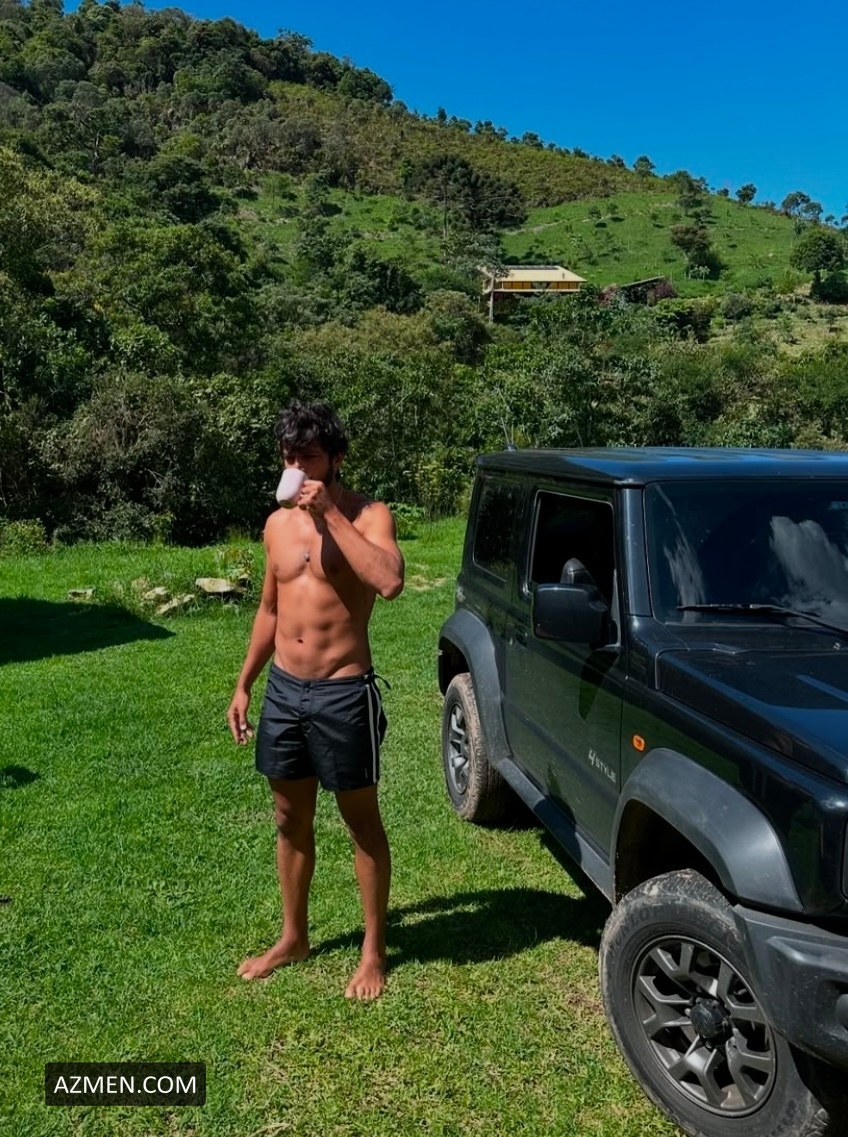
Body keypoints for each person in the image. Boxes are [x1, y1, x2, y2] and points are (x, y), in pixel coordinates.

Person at [228, 401, 404, 1000]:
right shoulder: (277, 526)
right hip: (285, 690)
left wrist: (330, 513)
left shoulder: (370, 515)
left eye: (308, 458)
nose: (297, 469)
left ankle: (373, 950)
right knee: (289, 817)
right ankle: (294, 936)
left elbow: (390, 581)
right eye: (289, 458)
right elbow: (269, 610)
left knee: (360, 821)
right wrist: (245, 683)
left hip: (343, 692)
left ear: (336, 459)